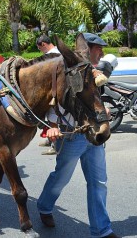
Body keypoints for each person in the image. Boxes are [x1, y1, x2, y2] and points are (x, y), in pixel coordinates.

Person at [37, 33, 120, 238]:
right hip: (71, 136)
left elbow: (94, 101)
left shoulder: (96, 72)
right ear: (86, 50)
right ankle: (44, 206)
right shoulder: (68, 72)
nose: (101, 53)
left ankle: (101, 229)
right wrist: (53, 126)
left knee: (98, 182)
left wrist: (104, 112)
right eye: (97, 48)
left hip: (93, 135)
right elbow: (55, 99)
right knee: (61, 178)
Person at [36, 34, 60, 155]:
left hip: (53, 93)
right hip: (53, 91)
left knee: (52, 119)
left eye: (40, 48)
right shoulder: (58, 52)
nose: (40, 51)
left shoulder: (51, 56)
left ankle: (55, 145)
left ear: (43, 45)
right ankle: (50, 139)